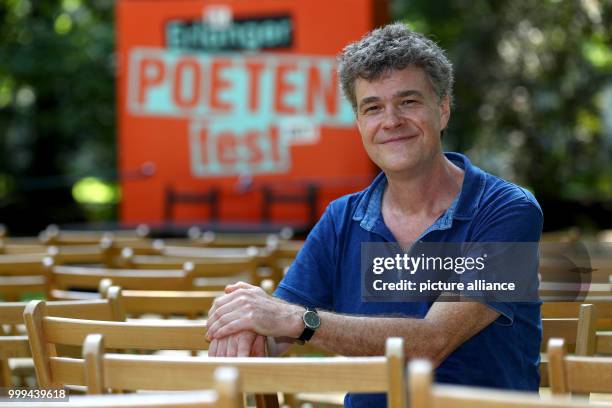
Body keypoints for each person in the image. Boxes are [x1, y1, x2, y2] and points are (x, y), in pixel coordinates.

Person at [206, 22, 543, 408]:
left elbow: (432, 342)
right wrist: (239, 319)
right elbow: (272, 336)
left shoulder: (508, 211)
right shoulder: (341, 219)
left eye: (408, 102)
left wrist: (299, 321)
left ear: (443, 108)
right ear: (360, 124)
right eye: (373, 107)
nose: (391, 120)